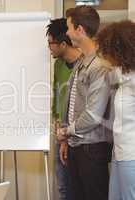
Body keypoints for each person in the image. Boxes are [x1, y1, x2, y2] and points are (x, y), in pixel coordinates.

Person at [57, 5, 112, 200]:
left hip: (92, 149)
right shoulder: (81, 61)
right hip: (76, 146)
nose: (67, 32)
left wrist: (66, 131)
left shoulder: (100, 65)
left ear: (80, 30)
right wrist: (66, 138)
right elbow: (71, 101)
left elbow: (93, 115)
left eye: (69, 27)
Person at [97, 20, 135, 200]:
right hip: (119, 153)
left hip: (131, 155)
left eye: (108, 51)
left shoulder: (132, 80)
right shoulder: (124, 74)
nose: (106, 57)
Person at [46, 18, 81, 200]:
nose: (49, 47)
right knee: (62, 187)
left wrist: (67, 134)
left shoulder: (84, 65)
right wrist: (56, 121)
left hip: (78, 136)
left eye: (51, 43)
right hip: (60, 133)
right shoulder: (59, 64)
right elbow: (56, 94)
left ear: (63, 43)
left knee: (77, 187)